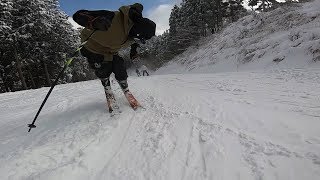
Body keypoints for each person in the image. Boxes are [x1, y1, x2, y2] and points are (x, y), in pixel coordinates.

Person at [73, 3, 156, 111]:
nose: (140, 42)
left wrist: (133, 51)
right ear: (137, 32)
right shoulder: (112, 18)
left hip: (111, 51)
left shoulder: (134, 34)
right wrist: (93, 22)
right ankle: (108, 89)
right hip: (93, 49)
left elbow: (134, 41)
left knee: (120, 68)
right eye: (141, 39)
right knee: (103, 70)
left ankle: (125, 88)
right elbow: (78, 15)